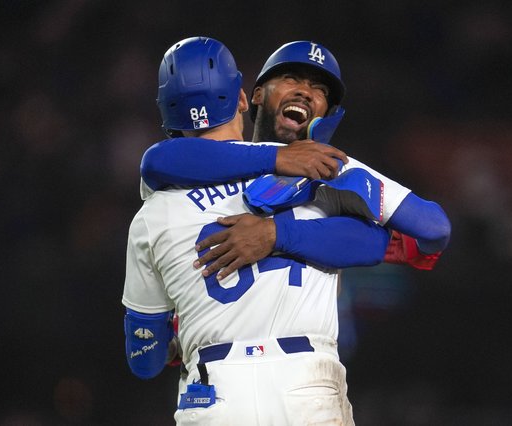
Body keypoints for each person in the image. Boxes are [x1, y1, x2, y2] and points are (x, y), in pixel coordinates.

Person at [122, 37, 399, 425]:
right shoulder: (305, 176)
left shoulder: (153, 213)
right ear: (240, 98)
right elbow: (390, 238)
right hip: (306, 384)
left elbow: (144, 361)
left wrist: (175, 342)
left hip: (214, 391)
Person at [140, 40, 451, 280]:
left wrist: (277, 234)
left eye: (319, 89)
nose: (305, 92)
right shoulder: (215, 161)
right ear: (257, 94)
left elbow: (433, 226)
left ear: (327, 114)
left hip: (304, 352)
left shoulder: (332, 170)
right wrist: (279, 157)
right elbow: (158, 161)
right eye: (291, 78)